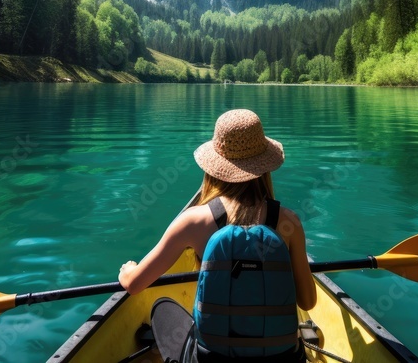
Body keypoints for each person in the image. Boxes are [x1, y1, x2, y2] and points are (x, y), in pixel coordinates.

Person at [118, 109, 316, 362]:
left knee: (162, 308)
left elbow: (135, 285)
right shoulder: (289, 222)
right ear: (265, 166)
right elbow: (308, 302)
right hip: (282, 359)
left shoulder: (192, 221)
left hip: (213, 359)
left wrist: (127, 271)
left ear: (214, 167)